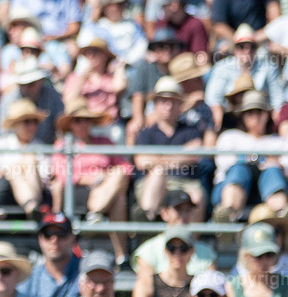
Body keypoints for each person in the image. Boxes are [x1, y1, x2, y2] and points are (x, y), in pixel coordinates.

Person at [51, 99, 132, 264]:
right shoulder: (63, 145)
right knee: (119, 198)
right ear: (70, 124)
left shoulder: (105, 142)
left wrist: (106, 178)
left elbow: (127, 168)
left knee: (119, 182)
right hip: (77, 191)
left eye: (87, 119)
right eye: (78, 120)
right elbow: (61, 174)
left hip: (106, 189)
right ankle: (121, 254)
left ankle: (96, 212)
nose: (83, 124)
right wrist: (93, 178)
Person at [133, 78, 204, 223]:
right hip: (153, 184)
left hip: (185, 183)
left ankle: (190, 241)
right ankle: (146, 222)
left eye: (173, 101)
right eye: (163, 101)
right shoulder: (146, 133)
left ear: (180, 105)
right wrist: (179, 157)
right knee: (158, 173)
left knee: (197, 196)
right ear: (156, 105)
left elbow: (195, 155)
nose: (168, 106)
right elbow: (141, 162)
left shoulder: (191, 130)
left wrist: (157, 160)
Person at [211, 90, 288, 224]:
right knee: (239, 170)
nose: (255, 116)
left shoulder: (279, 141)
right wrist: (261, 160)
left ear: (267, 114)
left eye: (259, 112)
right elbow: (224, 164)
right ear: (242, 116)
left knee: (273, 171)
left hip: (267, 187)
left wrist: (275, 165)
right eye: (249, 112)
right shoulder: (230, 137)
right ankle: (227, 215)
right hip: (230, 187)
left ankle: (281, 215)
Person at [0, 99, 49, 218]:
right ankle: (33, 207)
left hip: (34, 189)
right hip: (3, 191)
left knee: (25, 163)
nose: (32, 126)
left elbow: (46, 178)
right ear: (15, 125)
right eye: (26, 122)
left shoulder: (41, 146)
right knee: (20, 167)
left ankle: (31, 206)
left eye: (35, 122)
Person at [132, 190, 217, 279]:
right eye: (178, 209)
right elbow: (146, 288)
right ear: (164, 213)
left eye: (188, 210)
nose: (184, 215)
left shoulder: (207, 253)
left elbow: (211, 290)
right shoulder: (147, 252)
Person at [19, 211, 81, 297]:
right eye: (48, 235)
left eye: (61, 235)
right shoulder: (29, 278)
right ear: (40, 239)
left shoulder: (85, 273)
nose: (54, 240)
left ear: (72, 238)